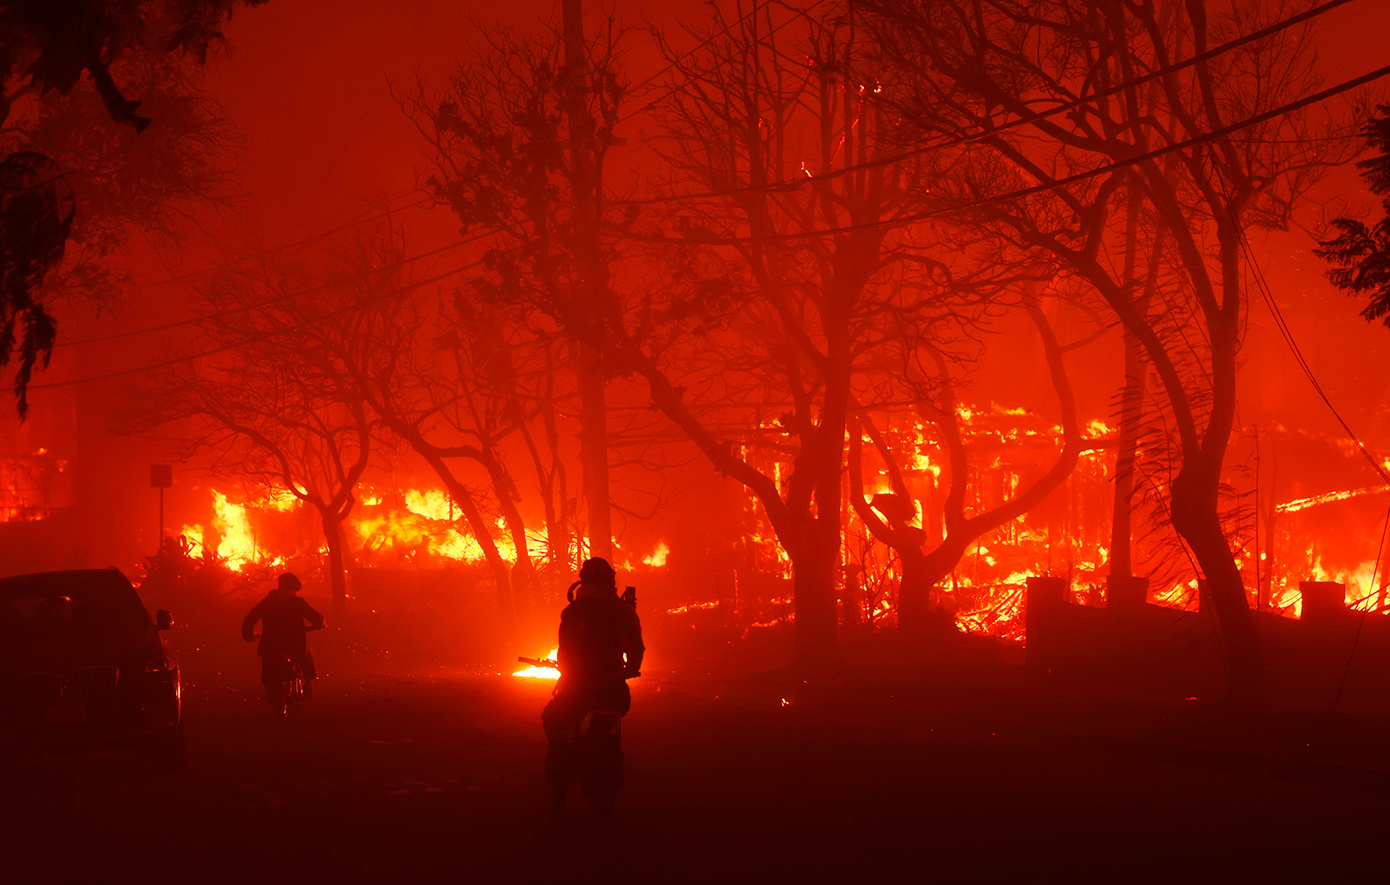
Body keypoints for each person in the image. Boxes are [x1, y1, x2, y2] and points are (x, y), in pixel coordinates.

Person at [541, 557, 644, 787]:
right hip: (612, 687)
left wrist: (568, 671)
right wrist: (631, 669)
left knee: (553, 717)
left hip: (575, 687)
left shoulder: (571, 612)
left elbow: (564, 649)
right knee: (616, 715)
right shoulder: (622, 612)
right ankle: (613, 771)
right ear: (610, 581)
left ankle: (560, 770)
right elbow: (636, 647)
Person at [241, 572, 324, 704]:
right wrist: (320, 623)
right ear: (293, 588)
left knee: (267, 661)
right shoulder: (297, 603)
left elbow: (250, 618)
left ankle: (270, 687)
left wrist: (247, 634)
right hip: (294, 643)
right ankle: (308, 682)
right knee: (305, 656)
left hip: (270, 643)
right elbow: (314, 617)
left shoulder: (268, 602)